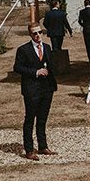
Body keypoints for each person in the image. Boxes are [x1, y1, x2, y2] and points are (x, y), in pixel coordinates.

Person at [13, 23, 58, 160]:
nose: (38, 35)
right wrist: (35, 72)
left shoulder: (47, 48)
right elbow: (17, 67)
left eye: (40, 32)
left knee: (42, 119)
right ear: (30, 35)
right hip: (31, 90)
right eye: (35, 33)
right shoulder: (24, 50)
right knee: (30, 119)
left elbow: (51, 66)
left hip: (46, 89)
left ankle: (43, 146)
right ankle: (29, 149)